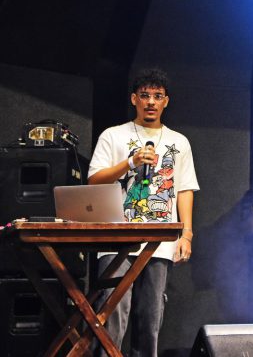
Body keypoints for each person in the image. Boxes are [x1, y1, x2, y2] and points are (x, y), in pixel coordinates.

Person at [88, 68, 199, 357]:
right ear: (134, 99)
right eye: (145, 95)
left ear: (166, 101)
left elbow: (184, 189)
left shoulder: (179, 142)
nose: (151, 101)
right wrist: (130, 162)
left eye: (157, 96)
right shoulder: (113, 135)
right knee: (112, 313)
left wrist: (186, 235)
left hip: (159, 243)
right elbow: (94, 180)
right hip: (116, 240)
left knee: (150, 319)